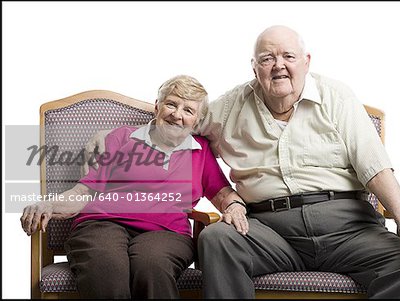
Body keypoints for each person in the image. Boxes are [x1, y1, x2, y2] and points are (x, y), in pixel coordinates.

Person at [83, 26, 400, 299]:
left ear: (306, 62)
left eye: (287, 56)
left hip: (347, 227)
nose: (279, 66)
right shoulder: (231, 105)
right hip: (269, 231)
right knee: (216, 238)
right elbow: (178, 115)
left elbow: (375, 167)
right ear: (255, 68)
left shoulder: (337, 97)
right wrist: (115, 133)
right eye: (267, 58)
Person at [20, 75, 244, 299]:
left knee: (152, 266)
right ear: (157, 107)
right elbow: (84, 191)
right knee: (107, 266)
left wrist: (234, 207)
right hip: (102, 223)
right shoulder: (122, 138)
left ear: (196, 121)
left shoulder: (200, 151)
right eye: (171, 104)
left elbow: (224, 194)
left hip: (167, 233)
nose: (177, 115)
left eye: (188, 110)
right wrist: (49, 204)